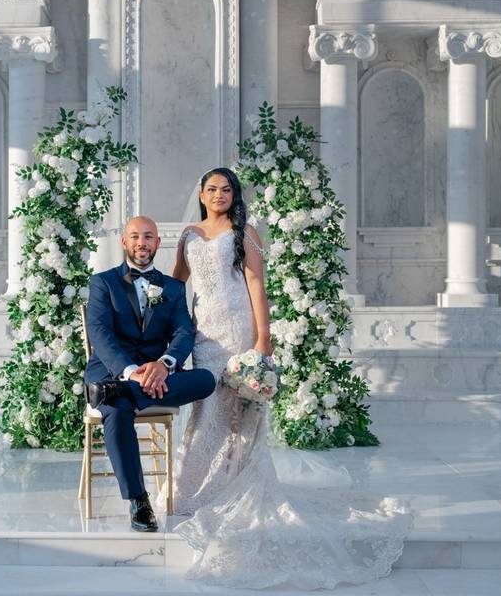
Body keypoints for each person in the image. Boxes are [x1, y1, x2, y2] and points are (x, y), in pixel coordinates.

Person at [169, 168, 413, 590]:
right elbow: (177, 284)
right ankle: (194, 488)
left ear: (234, 195)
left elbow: (256, 284)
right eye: (212, 189)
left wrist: (262, 338)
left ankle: (234, 486)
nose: (219, 194)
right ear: (202, 195)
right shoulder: (189, 235)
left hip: (239, 330)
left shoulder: (245, 233)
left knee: (238, 413)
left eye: (227, 189)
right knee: (204, 409)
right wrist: (164, 321)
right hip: (203, 334)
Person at [84, 216, 216, 533]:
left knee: (207, 380)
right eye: (135, 236)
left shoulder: (172, 287)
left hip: (154, 376)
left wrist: (164, 364)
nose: (142, 242)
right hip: (111, 371)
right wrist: (130, 373)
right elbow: (100, 334)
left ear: (157, 243)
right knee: (116, 411)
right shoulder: (103, 283)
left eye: (148, 237)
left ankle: (123, 393)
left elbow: (184, 332)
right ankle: (139, 502)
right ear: (124, 242)